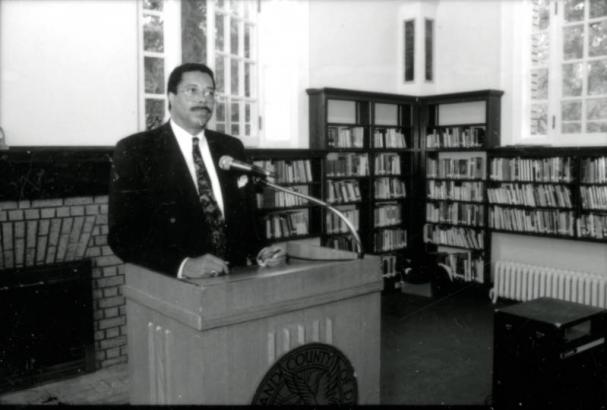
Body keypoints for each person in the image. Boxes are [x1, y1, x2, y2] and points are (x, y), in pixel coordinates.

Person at [108, 63, 280, 279]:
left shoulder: (231, 147)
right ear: (170, 97)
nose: (203, 99)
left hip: (235, 279)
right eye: (193, 90)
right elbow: (122, 237)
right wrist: (183, 265)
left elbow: (246, 221)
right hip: (174, 287)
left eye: (210, 92)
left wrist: (261, 251)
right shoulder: (136, 150)